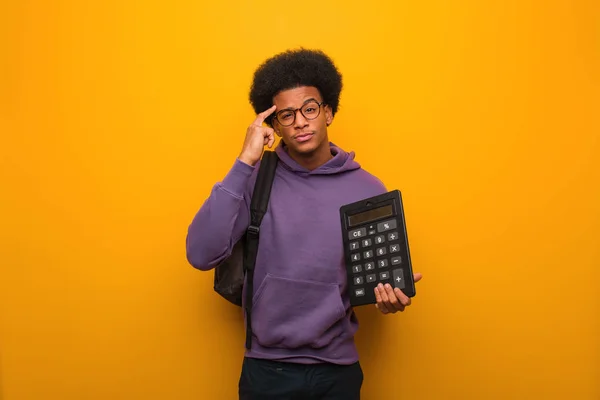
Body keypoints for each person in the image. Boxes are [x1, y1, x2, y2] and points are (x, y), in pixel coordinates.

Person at [186, 48, 422, 400]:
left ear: (327, 112)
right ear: (274, 124)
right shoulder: (253, 179)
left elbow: (378, 277)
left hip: (337, 372)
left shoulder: (367, 189)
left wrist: (391, 295)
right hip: (266, 369)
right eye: (286, 114)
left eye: (309, 109)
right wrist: (245, 161)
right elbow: (201, 253)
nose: (300, 121)